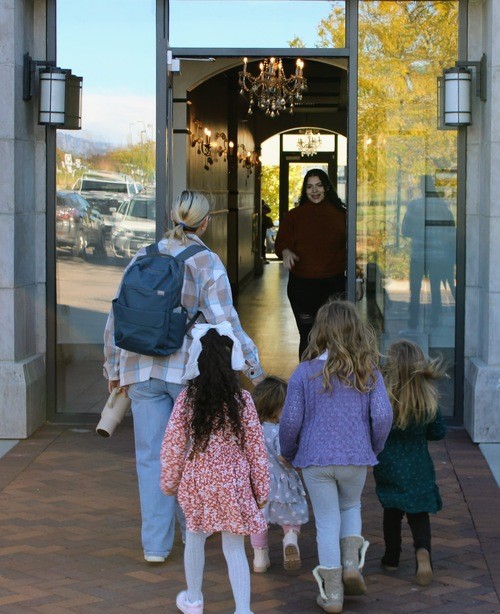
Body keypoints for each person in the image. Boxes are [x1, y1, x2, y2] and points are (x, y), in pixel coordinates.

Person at [103, 190, 265, 564]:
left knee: (151, 457)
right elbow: (226, 322)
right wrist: (254, 369)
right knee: (193, 454)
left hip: (140, 369)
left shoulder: (142, 256)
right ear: (205, 223)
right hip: (187, 372)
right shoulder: (206, 261)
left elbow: (116, 315)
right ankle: (192, 531)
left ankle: (155, 546)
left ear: (170, 217)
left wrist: (113, 368)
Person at [279, 300, 393, 613]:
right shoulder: (368, 371)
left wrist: (287, 452)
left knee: (327, 520)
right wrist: (374, 445)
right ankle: (351, 564)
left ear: (321, 331)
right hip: (355, 455)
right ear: (356, 330)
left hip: (315, 458)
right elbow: (383, 415)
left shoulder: (304, 373)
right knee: (351, 505)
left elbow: (290, 421)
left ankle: (332, 595)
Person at [159, 324, 270, 614]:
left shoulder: (188, 400)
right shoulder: (242, 400)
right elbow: (256, 450)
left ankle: (194, 600)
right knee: (234, 547)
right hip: (234, 482)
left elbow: (173, 445)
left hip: (198, 480)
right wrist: (261, 490)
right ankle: (243, 609)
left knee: (195, 538)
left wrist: (169, 481)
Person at [373, 339, 447, 586]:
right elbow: (438, 432)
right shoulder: (427, 397)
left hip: (389, 465)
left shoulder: (384, 396)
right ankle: (423, 552)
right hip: (418, 466)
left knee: (392, 512)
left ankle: (391, 558)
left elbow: (375, 427)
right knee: (419, 513)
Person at [274, 169, 347, 359]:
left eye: (319, 185)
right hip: (302, 288)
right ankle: (306, 377)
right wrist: (286, 251)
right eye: (309, 187)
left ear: (326, 187)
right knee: (308, 336)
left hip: (334, 286)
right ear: (304, 190)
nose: (314, 191)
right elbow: (281, 242)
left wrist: (358, 278)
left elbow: (352, 248)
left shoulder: (341, 215)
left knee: (334, 338)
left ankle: (333, 376)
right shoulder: (294, 216)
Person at [249, 376, 309, 573]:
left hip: (258, 485)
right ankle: (290, 539)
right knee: (291, 515)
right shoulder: (281, 431)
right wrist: (296, 463)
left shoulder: (253, 430)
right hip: (284, 484)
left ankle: (260, 558)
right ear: (277, 408)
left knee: (259, 521)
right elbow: (284, 456)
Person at [402, 175, 456, 330]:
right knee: (435, 290)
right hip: (438, 256)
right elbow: (450, 231)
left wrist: (418, 231)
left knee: (415, 291)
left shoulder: (414, 205)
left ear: (421, 187)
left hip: (418, 254)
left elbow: (405, 230)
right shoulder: (443, 205)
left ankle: (413, 321)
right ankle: (434, 321)